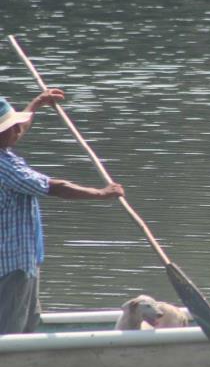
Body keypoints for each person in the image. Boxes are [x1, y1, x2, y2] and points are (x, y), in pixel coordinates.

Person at [0, 89, 124, 333]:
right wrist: (101, 193)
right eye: (10, 127)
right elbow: (55, 188)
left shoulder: (5, 151)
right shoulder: (5, 168)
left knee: (29, 321)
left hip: (23, 261)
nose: (18, 130)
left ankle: (25, 366)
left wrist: (36, 104)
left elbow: (18, 131)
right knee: (10, 328)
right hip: (11, 265)